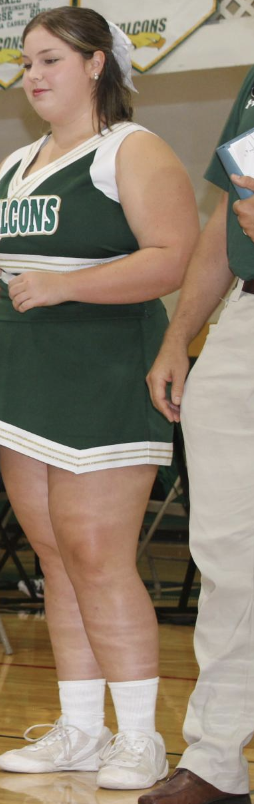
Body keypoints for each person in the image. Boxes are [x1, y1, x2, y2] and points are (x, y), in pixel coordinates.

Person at [0, 7, 197, 790]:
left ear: (95, 65)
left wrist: (68, 284)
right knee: (55, 557)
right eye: (25, 63)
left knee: (98, 554)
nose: (34, 74)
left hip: (107, 377)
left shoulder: (133, 150)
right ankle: (81, 728)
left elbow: (173, 258)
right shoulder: (13, 165)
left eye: (50, 59)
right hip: (23, 383)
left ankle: (142, 738)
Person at [140, 65, 254, 804]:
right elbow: (228, 211)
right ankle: (215, 758)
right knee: (227, 551)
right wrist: (182, 332)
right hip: (244, 317)